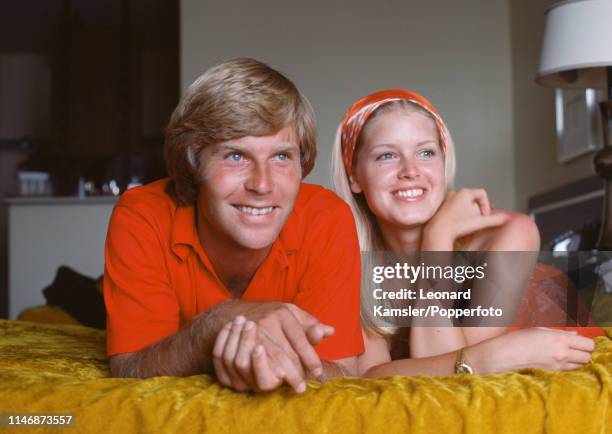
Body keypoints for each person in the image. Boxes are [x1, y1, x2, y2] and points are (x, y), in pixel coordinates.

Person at [103, 58, 364, 393]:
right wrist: (217, 323)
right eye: (236, 156)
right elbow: (129, 369)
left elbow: (341, 372)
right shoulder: (141, 214)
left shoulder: (326, 218)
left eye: (281, 156)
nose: (262, 184)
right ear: (193, 162)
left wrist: (253, 351)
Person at [331, 89, 599, 376]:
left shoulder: (508, 232)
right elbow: (373, 377)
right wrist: (439, 237)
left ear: (444, 164)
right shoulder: (351, 255)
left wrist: (437, 236)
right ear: (354, 175)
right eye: (386, 155)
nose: (410, 170)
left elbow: (453, 381)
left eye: (425, 152)